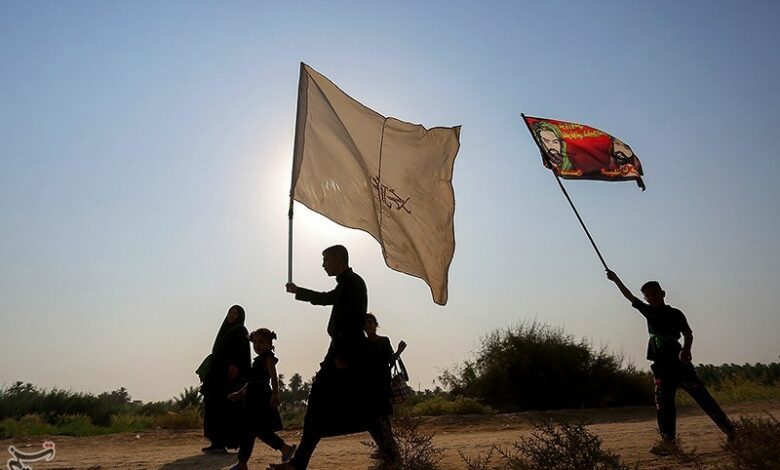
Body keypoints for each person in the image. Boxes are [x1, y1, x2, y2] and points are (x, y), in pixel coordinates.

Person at [270, 245, 397, 470]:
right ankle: (391, 455)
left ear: (339, 259)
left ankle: (391, 455)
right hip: (343, 351)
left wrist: (342, 357)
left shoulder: (353, 283)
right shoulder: (347, 284)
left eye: (326, 260)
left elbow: (350, 324)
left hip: (344, 352)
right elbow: (327, 298)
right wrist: (299, 291)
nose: (323, 265)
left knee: (332, 404)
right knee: (361, 407)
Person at [606, 270, 735, 455]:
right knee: (663, 404)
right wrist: (615, 279)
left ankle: (731, 432)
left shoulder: (676, 314)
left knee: (703, 398)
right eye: (648, 296)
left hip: (679, 364)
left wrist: (687, 349)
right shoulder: (648, 312)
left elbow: (688, 333)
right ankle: (669, 443)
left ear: (663, 293)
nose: (652, 298)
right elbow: (629, 296)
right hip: (660, 366)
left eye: (655, 294)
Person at [227, 328, 296, 470]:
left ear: (270, 344)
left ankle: (244, 462)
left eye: (262, 342)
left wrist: (276, 394)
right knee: (252, 431)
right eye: (255, 342)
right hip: (252, 396)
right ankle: (244, 462)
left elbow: (273, 377)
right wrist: (240, 393)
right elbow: (251, 382)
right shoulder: (257, 360)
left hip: (261, 397)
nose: (258, 345)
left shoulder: (268, 358)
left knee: (255, 430)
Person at [201, 305, 251, 453]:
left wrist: (234, 364)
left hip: (229, 379)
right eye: (230, 312)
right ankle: (217, 442)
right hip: (218, 377)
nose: (231, 315)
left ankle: (223, 442)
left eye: (235, 313)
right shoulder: (225, 331)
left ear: (240, 316)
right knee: (213, 408)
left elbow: (241, 351)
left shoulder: (240, 330)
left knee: (225, 409)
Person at [364, 312, 406, 463]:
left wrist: (400, 351)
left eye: (370, 322)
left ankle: (390, 452)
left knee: (384, 421)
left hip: (382, 386)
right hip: (368, 388)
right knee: (372, 421)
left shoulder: (384, 341)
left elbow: (390, 360)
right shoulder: (362, 344)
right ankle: (386, 449)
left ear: (375, 325)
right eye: (366, 323)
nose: (368, 325)